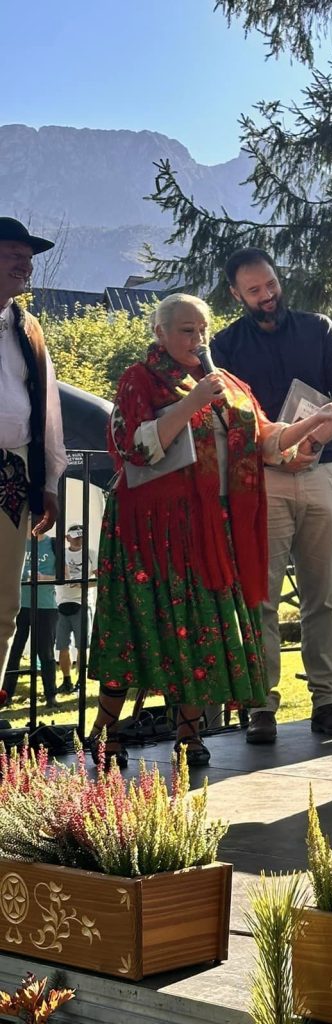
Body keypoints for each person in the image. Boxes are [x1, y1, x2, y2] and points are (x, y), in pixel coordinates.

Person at [87, 294, 332, 767]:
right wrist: (192, 400)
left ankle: (189, 737)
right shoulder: (140, 379)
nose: (198, 340)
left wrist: (314, 422)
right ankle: (101, 732)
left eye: (203, 330)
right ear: (160, 334)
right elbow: (135, 447)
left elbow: (265, 441)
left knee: (201, 630)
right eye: (186, 331)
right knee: (138, 629)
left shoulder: (228, 385)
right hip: (151, 533)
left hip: (210, 529)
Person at [211, 248, 332, 744]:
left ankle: (326, 699)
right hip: (263, 480)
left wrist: (311, 440)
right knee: (263, 596)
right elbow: (231, 420)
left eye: (270, 285)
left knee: (323, 596)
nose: (267, 296)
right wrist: (280, 453)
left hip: (322, 470)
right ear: (236, 294)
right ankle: (262, 704)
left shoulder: (319, 328)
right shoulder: (225, 345)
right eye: (254, 291)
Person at [0, 219, 67, 690]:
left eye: (28, 258)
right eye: (13, 256)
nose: (25, 266)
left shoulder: (26, 326)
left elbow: (48, 408)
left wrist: (48, 482)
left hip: (13, 471)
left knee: (4, 603)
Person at [3, 534, 59, 709]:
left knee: (46, 652)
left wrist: (44, 578)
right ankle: (6, 694)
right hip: (19, 606)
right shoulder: (15, 542)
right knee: (12, 651)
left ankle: (51, 696)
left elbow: (64, 574)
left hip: (45, 606)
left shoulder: (53, 543)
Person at [55, 524, 96, 694]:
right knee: (62, 646)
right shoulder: (61, 553)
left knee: (82, 646)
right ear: (67, 537)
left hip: (82, 603)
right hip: (62, 603)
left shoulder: (90, 553)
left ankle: (81, 680)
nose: (79, 540)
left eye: (81, 536)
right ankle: (66, 680)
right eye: (76, 536)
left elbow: (99, 577)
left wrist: (83, 585)